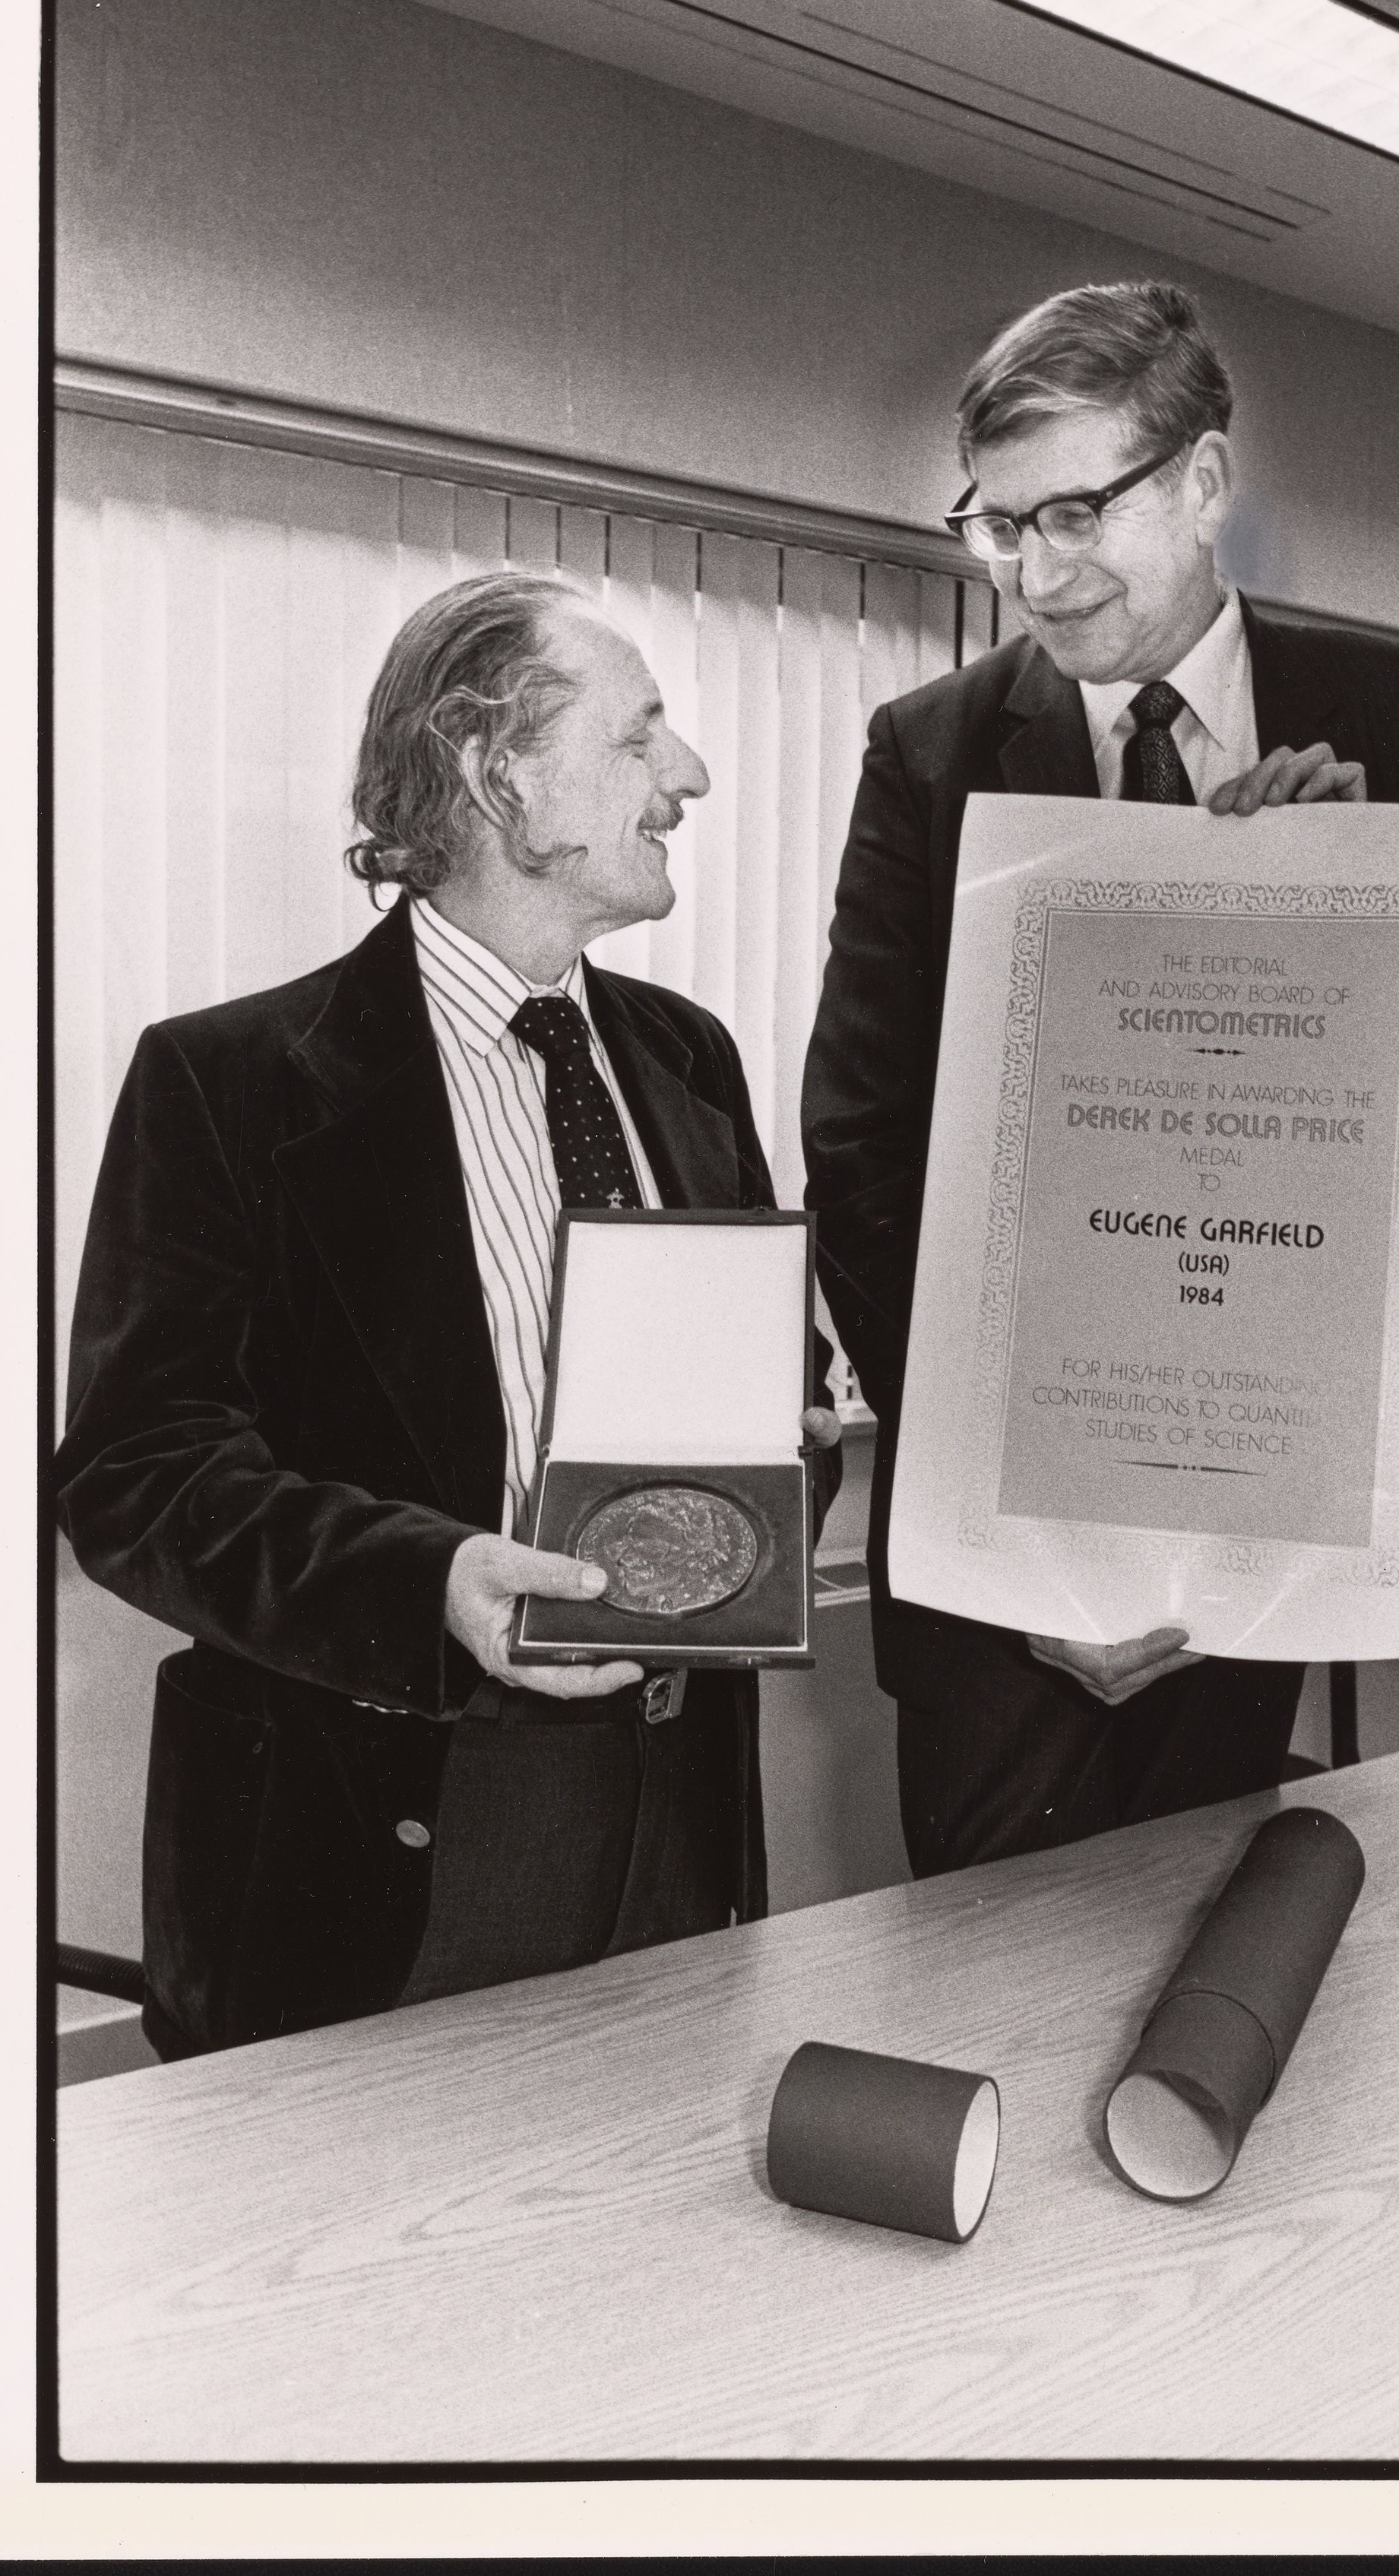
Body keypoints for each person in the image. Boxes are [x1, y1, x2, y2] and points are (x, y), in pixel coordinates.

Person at [802, 280, 1399, 1879]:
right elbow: (861, 1157)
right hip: (1007, 1581)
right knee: (992, 1977)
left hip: (1259, 1527)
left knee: (1209, 1943)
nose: (1038, 573)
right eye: (1000, 525)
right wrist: (1024, 1540)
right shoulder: (927, 752)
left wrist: (1385, 884)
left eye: (1077, 512)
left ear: (1206, 479)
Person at [58, 572, 841, 2057]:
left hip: (678, 1812)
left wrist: (783, 1452)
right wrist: (436, 1581)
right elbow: (135, 1474)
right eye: (638, 736)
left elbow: (773, 1395)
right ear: (498, 773)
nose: (688, 774)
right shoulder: (230, 1084)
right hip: (388, 1829)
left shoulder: (692, 1059)